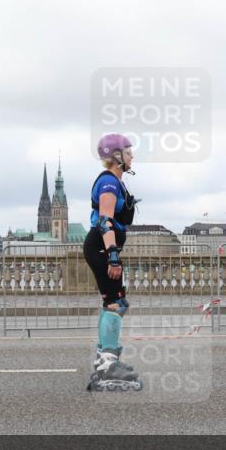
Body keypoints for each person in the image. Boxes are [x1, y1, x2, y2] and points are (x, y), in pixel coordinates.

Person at [84, 134, 142, 392]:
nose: (132, 156)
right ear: (117, 156)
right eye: (128, 152)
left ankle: (104, 360)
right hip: (102, 246)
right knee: (115, 304)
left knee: (115, 302)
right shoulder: (109, 182)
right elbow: (105, 220)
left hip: (104, 246)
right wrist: (113, 255)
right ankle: (107, 364)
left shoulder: (117, 182)